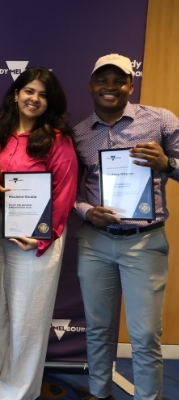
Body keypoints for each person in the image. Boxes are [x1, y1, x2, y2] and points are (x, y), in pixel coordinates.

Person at [74, 54, 179, 400]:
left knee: (145, 334)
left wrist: (168, 163)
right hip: (95, 242)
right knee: (98, 329)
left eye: (118, 80)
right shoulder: (78, 134)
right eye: (102, 80)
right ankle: (98, 392)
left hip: (143, 243)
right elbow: (69, 194)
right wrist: (88, 211)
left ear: (130, 85)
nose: (110, 87)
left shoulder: (160, 120)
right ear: (90, 87)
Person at [0, 67, 78, 400]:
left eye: (43, 94)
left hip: (36, 237)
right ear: (16, 94)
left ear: (51, 102)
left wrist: (44, 236)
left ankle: (16, 391)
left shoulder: (57, 139)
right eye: (29, 91)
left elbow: (64, 191)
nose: (34, 99)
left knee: (27, 318)